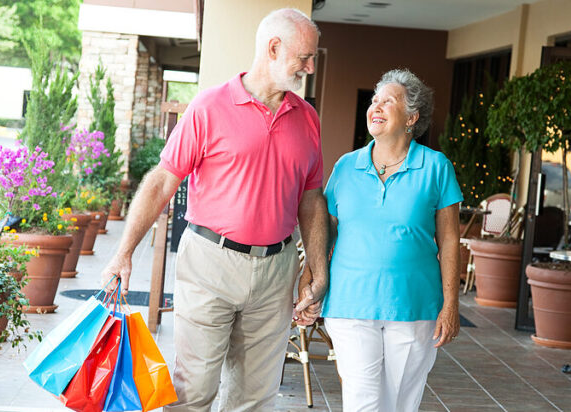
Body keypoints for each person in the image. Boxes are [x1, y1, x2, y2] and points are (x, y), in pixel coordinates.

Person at [100, 8, 329, 411]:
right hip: (210, 263)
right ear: (273, 48)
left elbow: (311, 197)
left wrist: (316, 266)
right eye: (305, 57)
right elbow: (160, 183)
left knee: (255, 398)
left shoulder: (307, 117)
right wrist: (123, 252)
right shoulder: (208, 107)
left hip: (276, 271)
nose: (310, 67)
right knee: (194, 391)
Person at [298, 69, 462, 412]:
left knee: (401, 401)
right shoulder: (346, 166)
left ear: (412, 117)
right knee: (362, 401)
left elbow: (449, 239)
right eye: (375, 100)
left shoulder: (436, 167)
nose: (377, 106)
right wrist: (310, 280)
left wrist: (450, 304)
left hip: (414, 304)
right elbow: (325, 230)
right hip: (350, 301)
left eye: (389, 100)